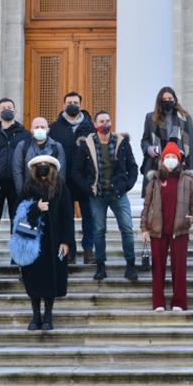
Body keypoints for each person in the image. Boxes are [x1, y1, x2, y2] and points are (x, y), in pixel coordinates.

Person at [72, 111, 139, 282]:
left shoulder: (121, 142)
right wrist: (88, 188)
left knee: (127, 229)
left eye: (108, 120)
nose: (105, 124)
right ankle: (100, 266)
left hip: (118, 194)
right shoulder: (86, 145)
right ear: (95, 124)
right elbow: (76, 171)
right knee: (99, 231)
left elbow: (132, 167)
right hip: (97, 195)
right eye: (101, 121)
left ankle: (130, 265)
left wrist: (127, 185)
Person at [18, 155, 75, 331]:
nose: (42, 167)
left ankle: (48, 316)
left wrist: (66, 241)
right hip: (32, 241)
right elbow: (19, 212)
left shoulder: (60, 187)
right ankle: (36, 316)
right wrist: (36, 208)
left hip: (53, 239)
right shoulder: (28, 188)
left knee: (51, 279)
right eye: (39, 165)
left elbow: (67, 215)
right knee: (33, 279)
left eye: (46, 165)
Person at [140, 141, 193, 312]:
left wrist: (192, 217)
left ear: (179, 160)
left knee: (179, 268)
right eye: (168, 157)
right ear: (162, 160)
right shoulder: (154, 181)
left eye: (174, 157)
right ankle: (158, 302)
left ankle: (179, 302)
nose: (171, 160)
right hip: (157, 231)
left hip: (179, 230)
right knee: (158, 268)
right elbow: (146, 206)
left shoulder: (187, 180)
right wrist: (144, 229)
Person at [49, 91, 96, 265]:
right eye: (69, 102)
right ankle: (70, 251)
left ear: (80, 105)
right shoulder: (54, 128)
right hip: (64, 181)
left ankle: (89, 250)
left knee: (88, 216)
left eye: (75, 102)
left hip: (85, 181)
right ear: (63, 105)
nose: (72, 104)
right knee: (66, 217)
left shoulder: (90, 127)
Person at [0, 97, 31, 266]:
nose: (7, 110)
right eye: (3, 108)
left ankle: (14, 254)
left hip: (17, 184)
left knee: (16, 219)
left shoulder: (25, 134)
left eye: (10, 107)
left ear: (15, 110)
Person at [141, 87, 193, 196]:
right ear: (159, 101)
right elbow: (145, 140)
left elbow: (190, 145)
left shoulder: (185, 117)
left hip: (179, 164)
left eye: (169, 98)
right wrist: (148, 148)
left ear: (174, 99)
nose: (167, 101)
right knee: (155, 199)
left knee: (177, 198)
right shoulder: (150, 117)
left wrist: (191, 169)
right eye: (164, 99)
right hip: (156, 164)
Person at [12, 117, 66, 196]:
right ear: (31, 130)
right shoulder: (22, 146)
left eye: (42, 127)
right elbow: (17, 171)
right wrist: (22, 193)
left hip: (51, 193)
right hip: (29, 191)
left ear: (48, 129)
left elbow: (61, 172)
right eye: (36, 127)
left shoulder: (57, 146)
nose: (39, 129)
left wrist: (57, 193)